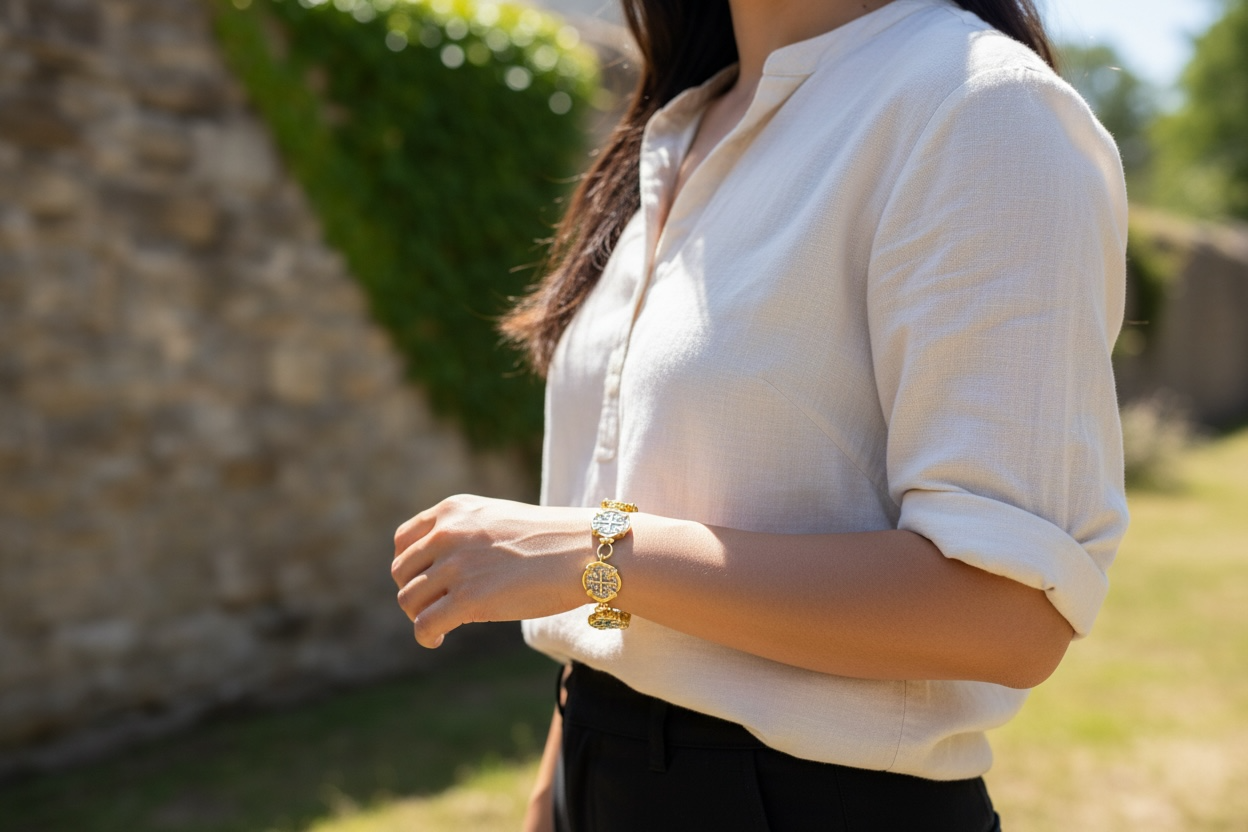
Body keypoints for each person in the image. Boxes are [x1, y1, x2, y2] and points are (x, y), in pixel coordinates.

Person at [390, 0, 1129, 828]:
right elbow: (649, 573)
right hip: (597, 764)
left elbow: (1009, 617)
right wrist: (554, 791)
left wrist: (596, 551)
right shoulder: (683, 125)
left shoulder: (975, 107)